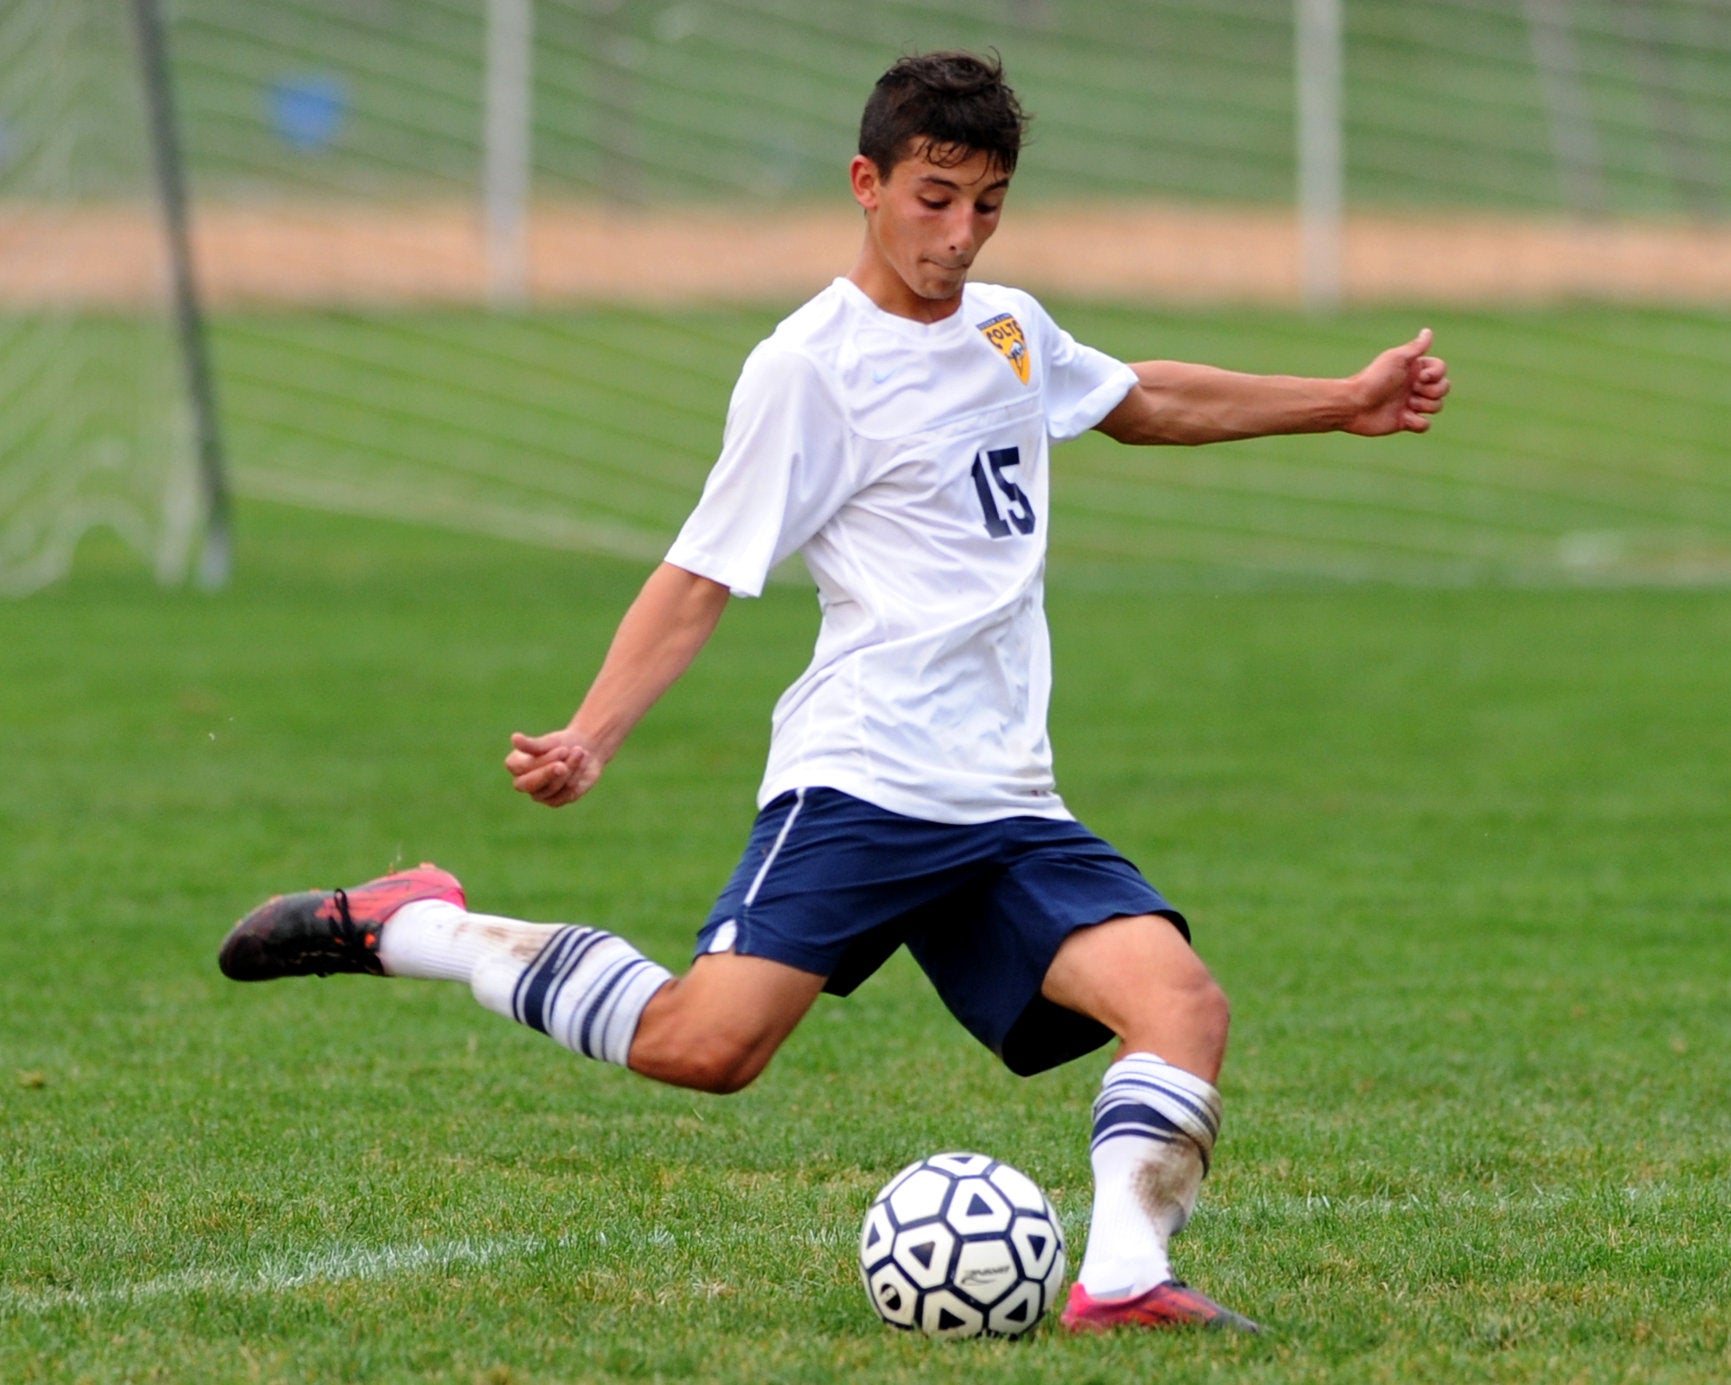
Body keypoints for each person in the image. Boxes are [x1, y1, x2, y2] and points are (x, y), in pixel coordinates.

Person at [219, 50, 1449, 1334]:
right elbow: (702, 570)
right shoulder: (809, 364)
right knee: (707, 1047)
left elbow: (1142, 400)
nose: (960, 234)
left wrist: (1344, 400)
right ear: (867, 183)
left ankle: (1127, 1276)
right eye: (934, 199)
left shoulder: (1009, 328)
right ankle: (424, 926)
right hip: (864, 778)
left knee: (1181, 1002)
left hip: (1007, 799)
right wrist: (591, 731)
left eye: (988, 204)